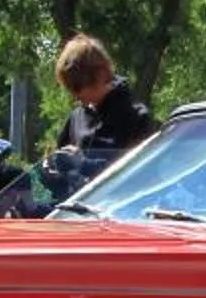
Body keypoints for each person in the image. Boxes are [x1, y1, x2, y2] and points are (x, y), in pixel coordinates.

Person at [40, 34, 158, 200]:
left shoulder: (136, 117)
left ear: (101, 75)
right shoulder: (76, 117)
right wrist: (50, 172)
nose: (75, 95)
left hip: (118, 215)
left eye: (77, 86)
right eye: (69, 88)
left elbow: (140, 177)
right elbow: (62, 182)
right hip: (78, 214)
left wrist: (83, 163)